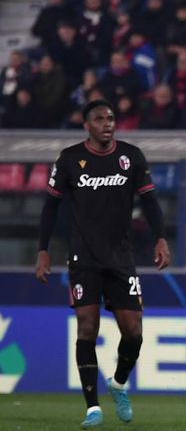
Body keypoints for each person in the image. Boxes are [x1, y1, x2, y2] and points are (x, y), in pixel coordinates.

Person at [35, 99, 171, 427]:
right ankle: (92, 407)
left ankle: (119, 383)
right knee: (87, 326)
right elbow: (50, 207)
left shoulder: (131, 157)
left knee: (134, 332)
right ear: (87, 125)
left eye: (110, 118)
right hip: (83, 257)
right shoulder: (69, 159)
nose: (107, 123)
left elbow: (150, 201)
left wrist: (160, 238)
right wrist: (43, 250)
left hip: (121, 257)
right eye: (99, 119)